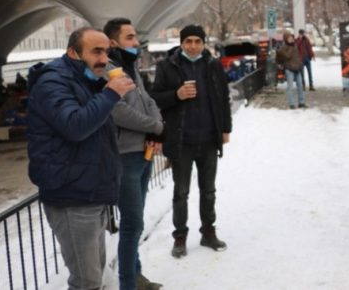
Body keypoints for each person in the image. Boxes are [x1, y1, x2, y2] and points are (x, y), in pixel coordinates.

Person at [27, 27, 135, 290]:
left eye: (106, 51)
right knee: (86, 282)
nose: (103, 59)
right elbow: (75, 126)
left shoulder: (85, 78)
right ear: (73, 52)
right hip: (71, 195)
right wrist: (110, 93)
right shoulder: (52, 82)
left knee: (95, 276)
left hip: (90, 191)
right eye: (96, 51)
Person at [149, 25, 232, 258]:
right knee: (181, 193)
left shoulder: (213, 65)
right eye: (188, 41)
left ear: (204, 43)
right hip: (181, 141)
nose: (193, 45)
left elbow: (223, 98)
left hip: (208, 139)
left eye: (197, 41)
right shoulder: (168, 66)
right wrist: (176, 95)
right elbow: (155, 99)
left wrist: (225, 128)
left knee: (208, 191)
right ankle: (180, 237)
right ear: (182, 43)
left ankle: (208, 232)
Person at [103, 18, 164, 290]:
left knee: (135, 221)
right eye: (130, 37)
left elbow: (148, 100)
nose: (136, 42)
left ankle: (136, 274)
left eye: (135, 37)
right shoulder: (109, 70)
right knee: (132, 223)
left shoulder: (130, 68)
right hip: (124, 155)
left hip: (144, 152)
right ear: (113, 42)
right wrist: (154, 126)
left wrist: (157, 127)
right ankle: (128, 283)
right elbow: (118, 111)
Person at [276, 31, 306, 109]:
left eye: (292, 38)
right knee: (290, 87)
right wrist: (290, 47)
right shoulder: (283, 48)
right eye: (289, 38)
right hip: (289, 69)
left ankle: (301, 102)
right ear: (286, 39)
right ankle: (291, 104)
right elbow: (288, 56)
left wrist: (300, 64)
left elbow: (297, 56)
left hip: (297, 68)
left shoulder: (294, 46)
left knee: (300, 86)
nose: (291, 39)